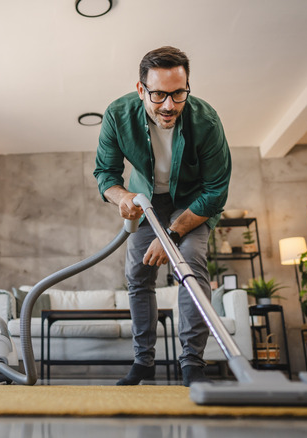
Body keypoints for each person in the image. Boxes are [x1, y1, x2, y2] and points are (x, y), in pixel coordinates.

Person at [93, 46, 231, 386]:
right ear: (141, 90)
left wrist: (170, 235)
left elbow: (216, 191)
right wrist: (122, 196)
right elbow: (105, 174)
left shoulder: (206, 121)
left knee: (190, 265)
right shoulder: (117, 115)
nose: (169, 105)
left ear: (187, 87)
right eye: (158, 95)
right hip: (146, 202)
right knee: (138, 275)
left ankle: (192, 364)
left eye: (178, 93)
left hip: (192, 203)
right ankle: (143, 362)